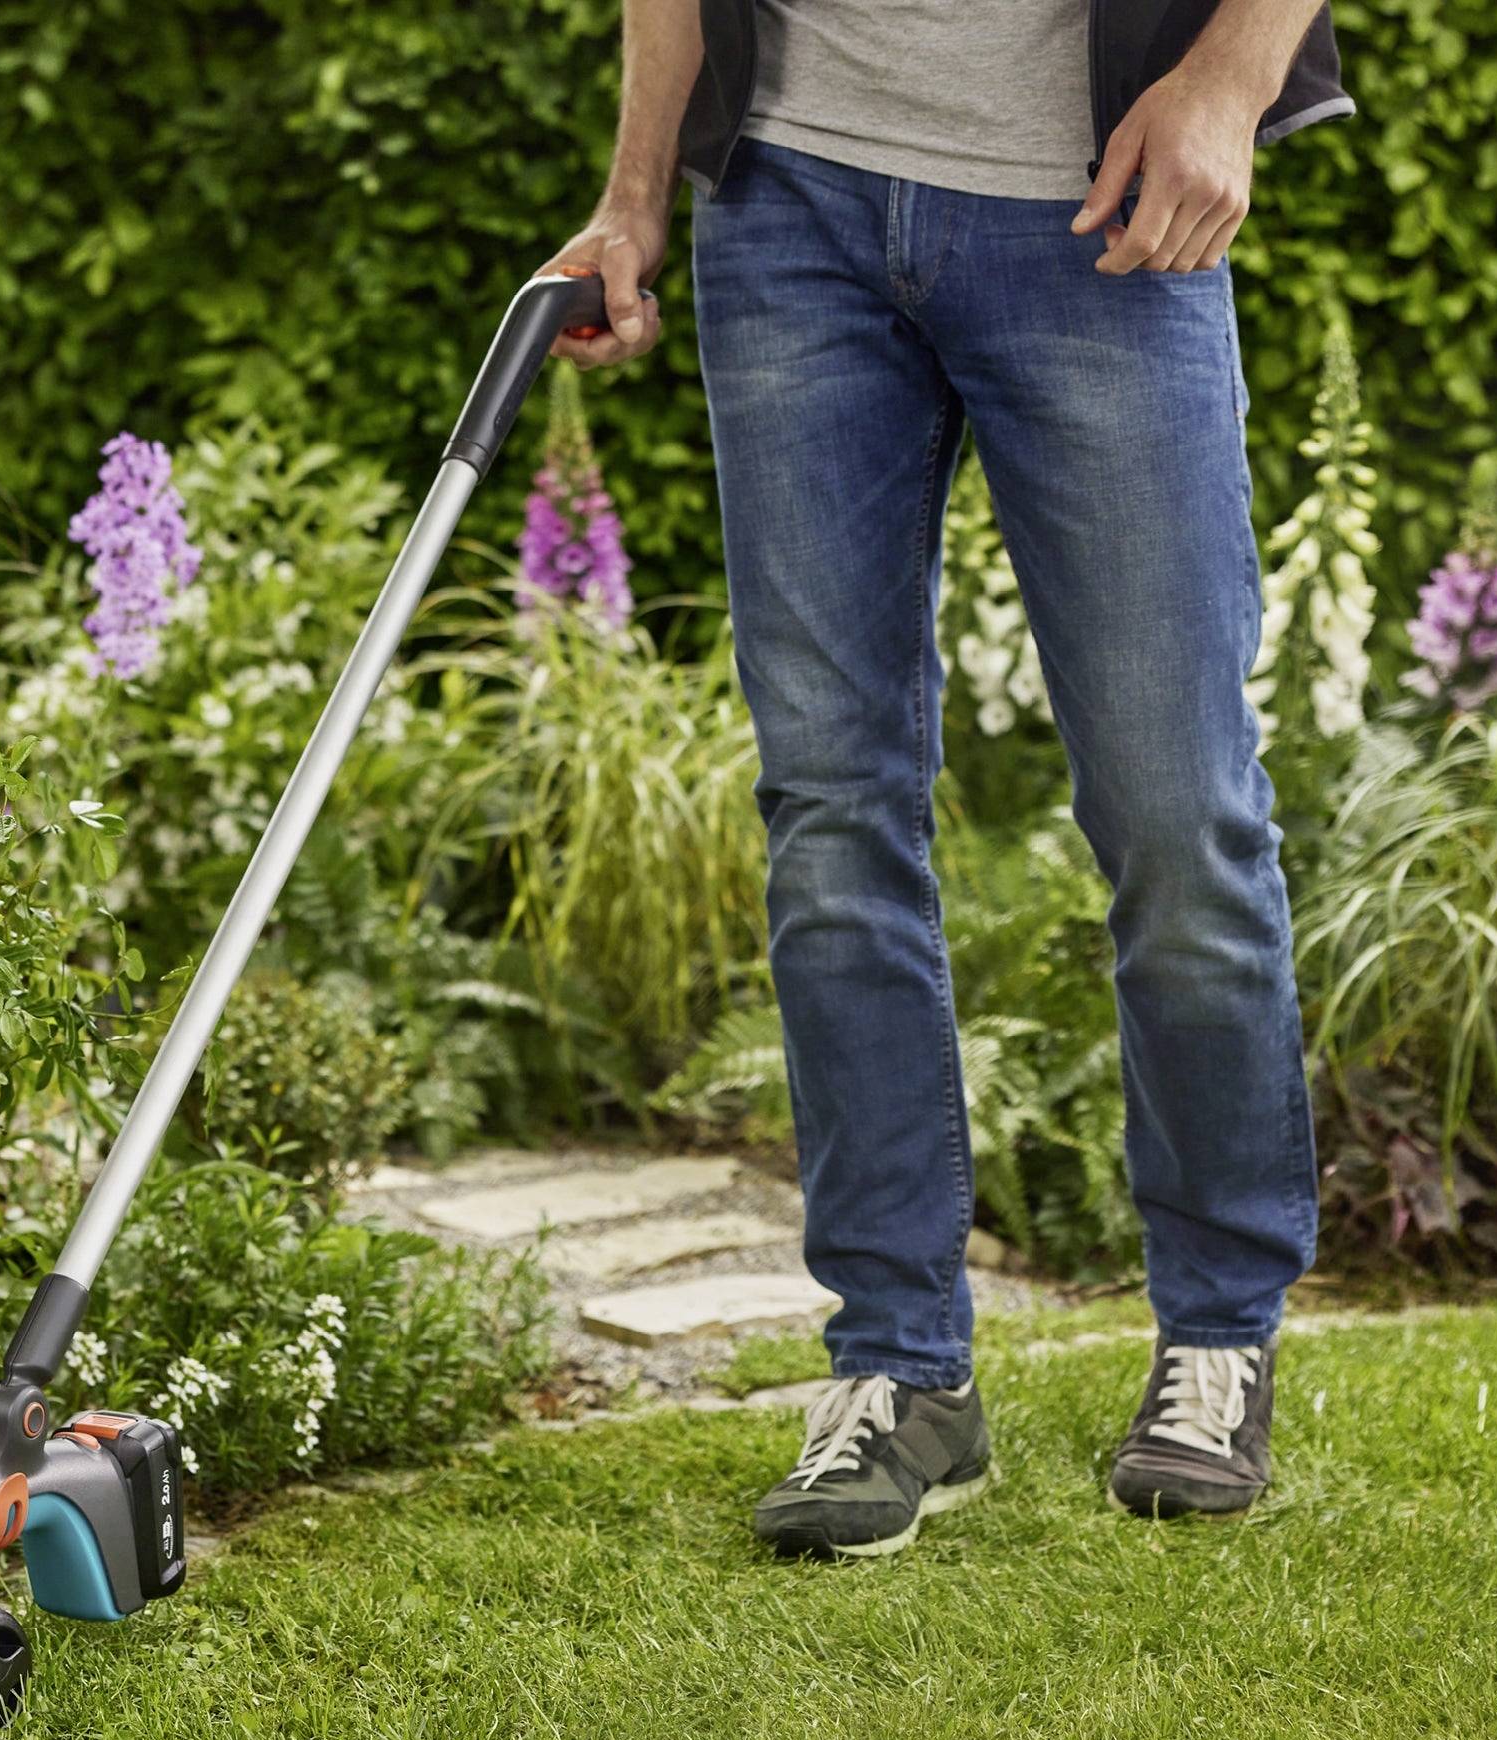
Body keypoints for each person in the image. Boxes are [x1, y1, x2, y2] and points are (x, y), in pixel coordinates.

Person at [549, 0, 1351, 1557]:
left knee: (1178, 809)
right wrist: (635, 193)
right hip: (791, 207)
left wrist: (1231, 82)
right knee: (833, 816)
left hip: (1103, 205)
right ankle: (899, 1368)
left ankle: (1218, 1332)